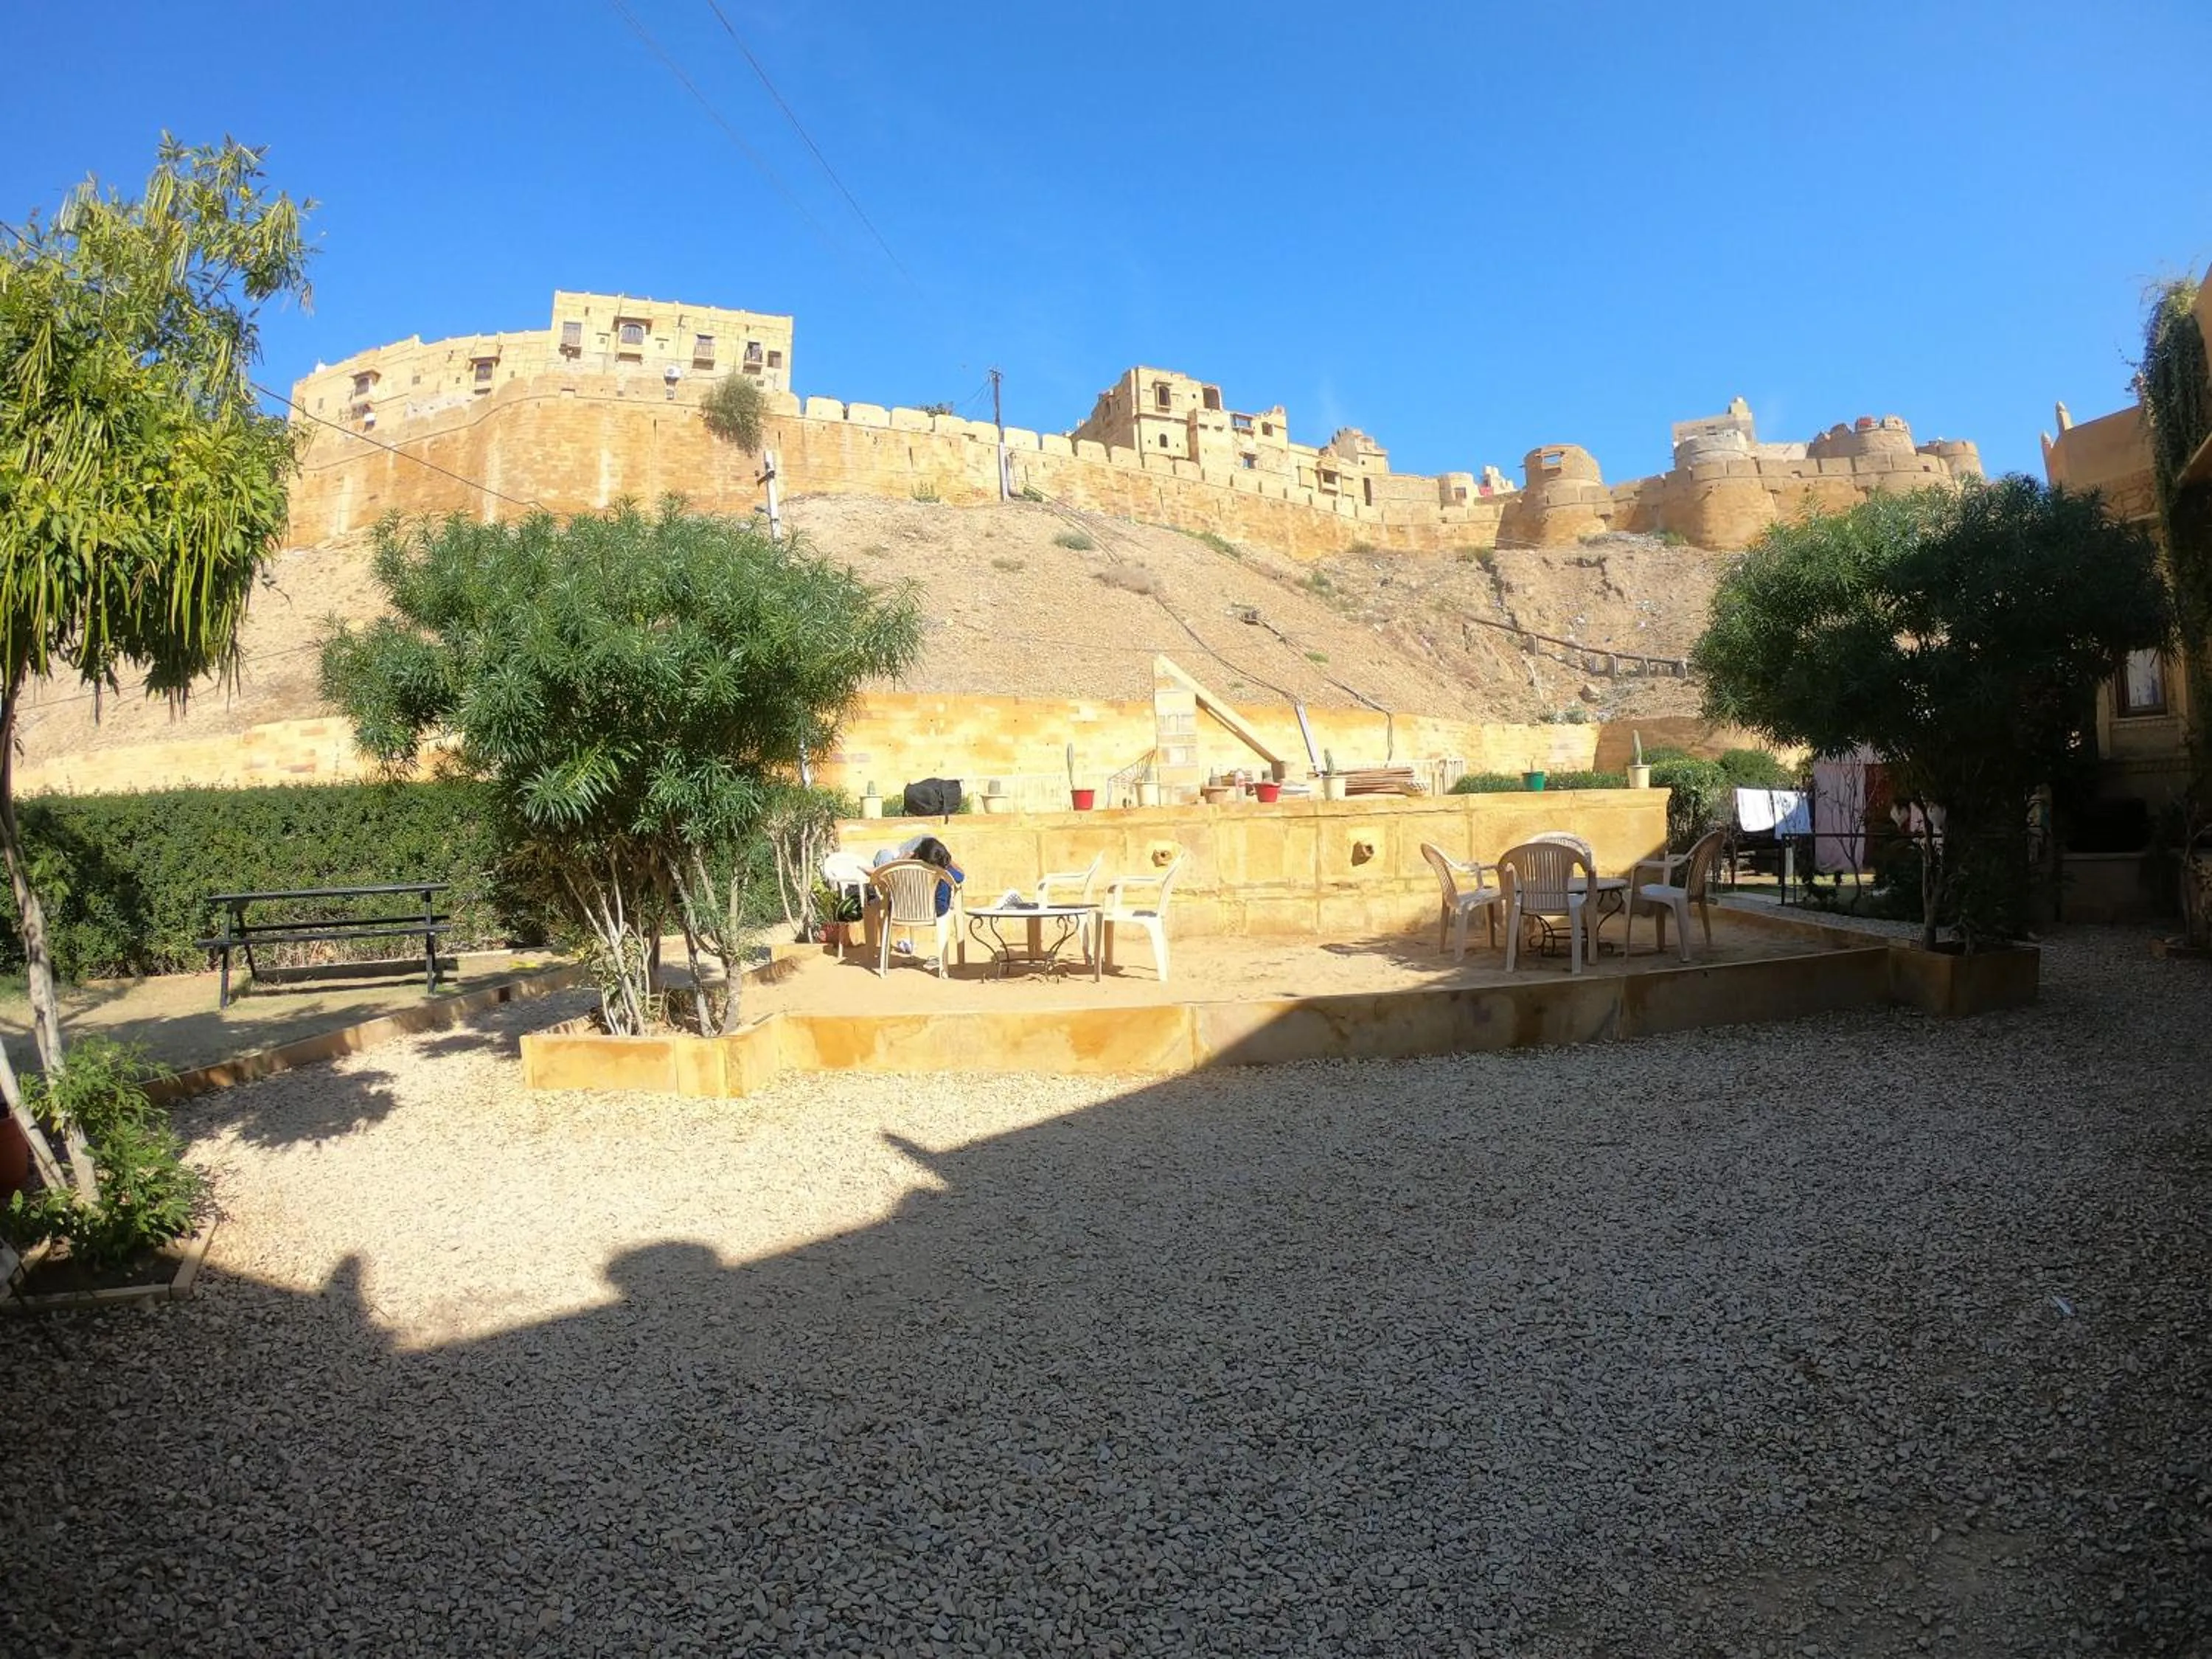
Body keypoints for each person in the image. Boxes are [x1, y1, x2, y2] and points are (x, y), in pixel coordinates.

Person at [873, 834, 963, 917]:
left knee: (884, 853)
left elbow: (879, 875)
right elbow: (960, 877)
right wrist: (948, 865)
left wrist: (900, 861)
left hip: (901, 909)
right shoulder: (945, 871)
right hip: (936, 909)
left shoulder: (905, 869)